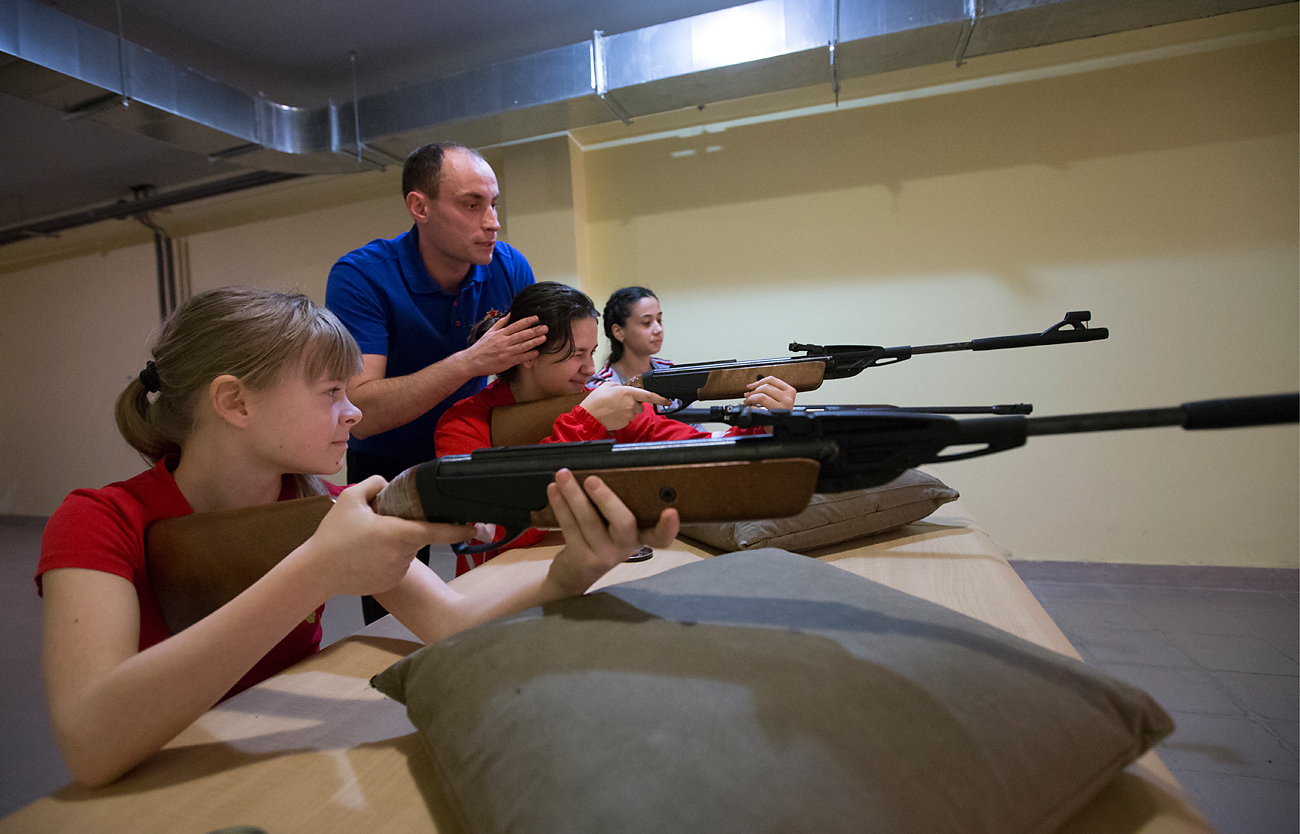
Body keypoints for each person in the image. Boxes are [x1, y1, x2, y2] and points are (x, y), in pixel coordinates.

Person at [36, 286, 678, 788]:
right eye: (333, 393)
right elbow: (90, 742)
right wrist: (315, 572)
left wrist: (568, 575)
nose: (354, 411)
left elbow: (448, 621)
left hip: (280, 757)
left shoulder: (326, 509)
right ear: (235, 403)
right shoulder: (98, 520)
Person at [326, 141, 547, 623]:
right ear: (419, 206)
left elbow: (529, 376)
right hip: (387, 458)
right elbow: (362, 413)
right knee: (392, 609)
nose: (491, 221)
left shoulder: (509, 267)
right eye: (472, 205)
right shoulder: (360, 276)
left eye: (493, 204)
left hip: (471, 445)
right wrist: (470, 362)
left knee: (507, 574)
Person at [434, 282, 795, 572]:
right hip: (500, 587)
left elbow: (695, 454)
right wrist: (585, 422)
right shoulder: (463, 424)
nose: (590, 369)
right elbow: (488, 532)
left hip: (587, 577)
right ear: (528, 355)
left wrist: (759, 423)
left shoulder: (601, 403)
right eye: (575, 355)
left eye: (591, 352)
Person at [591, 286, 671, 386]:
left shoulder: (669, 371)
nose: (658, 330)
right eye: (646, 323)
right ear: (618, 332)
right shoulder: (602, 386)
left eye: (659, 320)